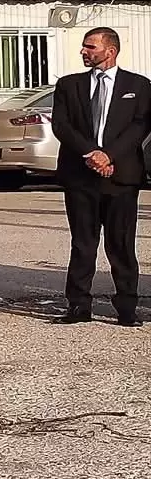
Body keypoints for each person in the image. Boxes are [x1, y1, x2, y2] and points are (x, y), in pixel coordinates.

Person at [51, 26, 151, 325]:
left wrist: (109, 155)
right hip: (80, 177)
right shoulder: (69, 85)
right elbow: (62, 125)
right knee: (83, 243)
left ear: (111, 50)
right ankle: (78, 305)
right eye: (84, 46)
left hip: (121, 177)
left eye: (90, 47)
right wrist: (92, 154)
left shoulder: (138, 85)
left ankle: (127, 307)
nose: (84, 51)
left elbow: (140, 126)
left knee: (121, 244)